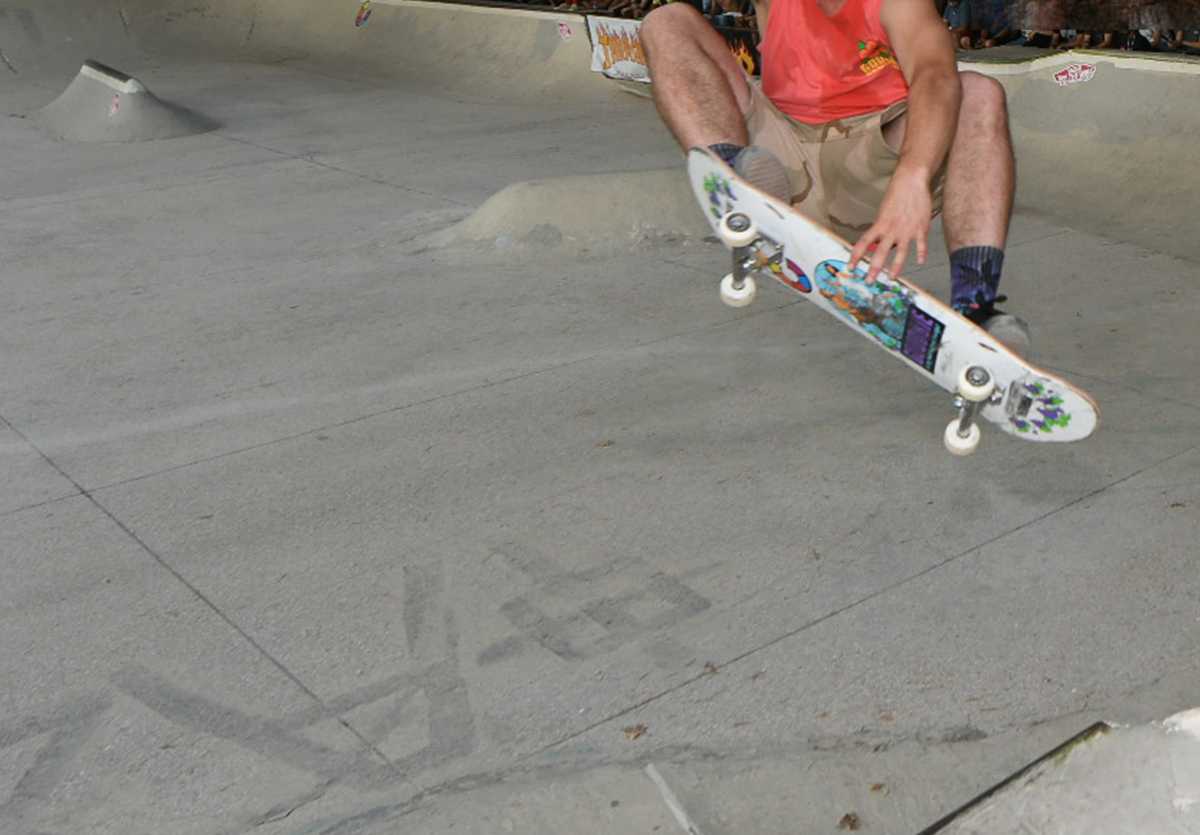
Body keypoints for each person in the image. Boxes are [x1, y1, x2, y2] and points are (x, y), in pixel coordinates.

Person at [640, 0, 1029, 350]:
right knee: (667, 21)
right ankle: (735, 186)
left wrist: (914, 173)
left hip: (872, 164)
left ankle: (975, 305)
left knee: (978, 93)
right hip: (778, 159)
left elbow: (935, 75)